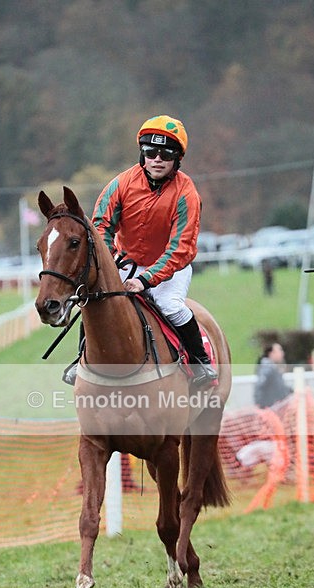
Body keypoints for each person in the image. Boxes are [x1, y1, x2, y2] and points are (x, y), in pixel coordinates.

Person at [63, 114, 217, 388]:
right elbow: (101, 228)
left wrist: (145, 280)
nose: (157, 159)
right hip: (126, 262)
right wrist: (108, 263)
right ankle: (81, 360)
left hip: (170, 269)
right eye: (150, 152)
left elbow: (180, 249)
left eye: (165, 154)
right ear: (142, 154)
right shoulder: (120, 184)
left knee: (170, 306)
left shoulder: (187, 194)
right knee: (95, 297)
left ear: (177, 159)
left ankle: (199, 360)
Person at [253, 342, 292, 409]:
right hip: (269, 409)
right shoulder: (267, 369)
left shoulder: (273, 368)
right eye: (280, 350)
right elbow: (260, 387)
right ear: (271, 353)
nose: (282, 353)